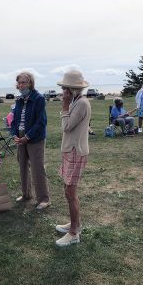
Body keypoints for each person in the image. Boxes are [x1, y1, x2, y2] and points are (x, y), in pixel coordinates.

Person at [55, 70, 91, 247]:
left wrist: (64, 106)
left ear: (71, 89)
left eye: (64, 89)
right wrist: (68, 105)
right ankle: (75, 223)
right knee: (67, 189)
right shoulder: (76, 102)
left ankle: (74, 233)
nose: (63, 92)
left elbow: (67, 127)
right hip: (70, 150)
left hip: (76, 151)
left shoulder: (81, 103)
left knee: (70, 192)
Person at [10, 71, 50, 210]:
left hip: (34, 138)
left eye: (24, 82)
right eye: (19, 82)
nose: (21, 85)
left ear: (30, 83)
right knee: (22, 166)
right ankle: (26, 194)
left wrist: (27, 137)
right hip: (20, 137)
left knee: (37, 168)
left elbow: (41, 122)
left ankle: (44, 199)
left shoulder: (38, 98)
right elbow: (14, 120)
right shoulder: (19, 100)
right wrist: (14, 134)